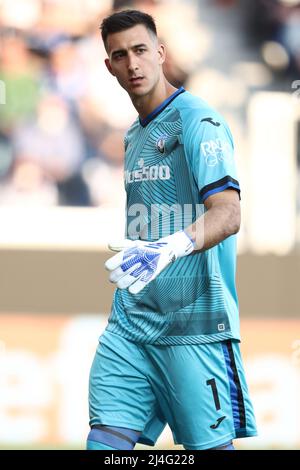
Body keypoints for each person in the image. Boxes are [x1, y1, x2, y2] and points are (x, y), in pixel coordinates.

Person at [87, 9, 257, 451]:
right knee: (105, 442)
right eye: (120, 55)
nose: (133, 64)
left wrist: (170, 247)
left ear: (160, 53)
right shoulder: (132, 137)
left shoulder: (198, 120)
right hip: (132, 323)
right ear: (110, 66)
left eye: (141, 50)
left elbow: (228, 213)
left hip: (195, 325)